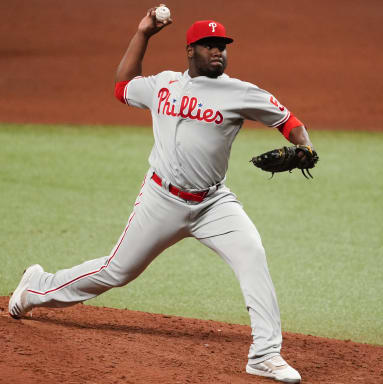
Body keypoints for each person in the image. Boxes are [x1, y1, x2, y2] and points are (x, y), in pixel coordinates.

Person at [9, 7, 315, 383]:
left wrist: (306, 148)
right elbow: (123, 86)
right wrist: (143, 33)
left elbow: (290, 122)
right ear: (190, 51)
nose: (218, 51)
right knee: (116, 271)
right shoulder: (163, 84)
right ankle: (37, 287)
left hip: (212, 203)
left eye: (222, 46)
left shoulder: (241, 93)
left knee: (252, 253)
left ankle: (265, 354)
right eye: (208, 45)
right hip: (161, 199)